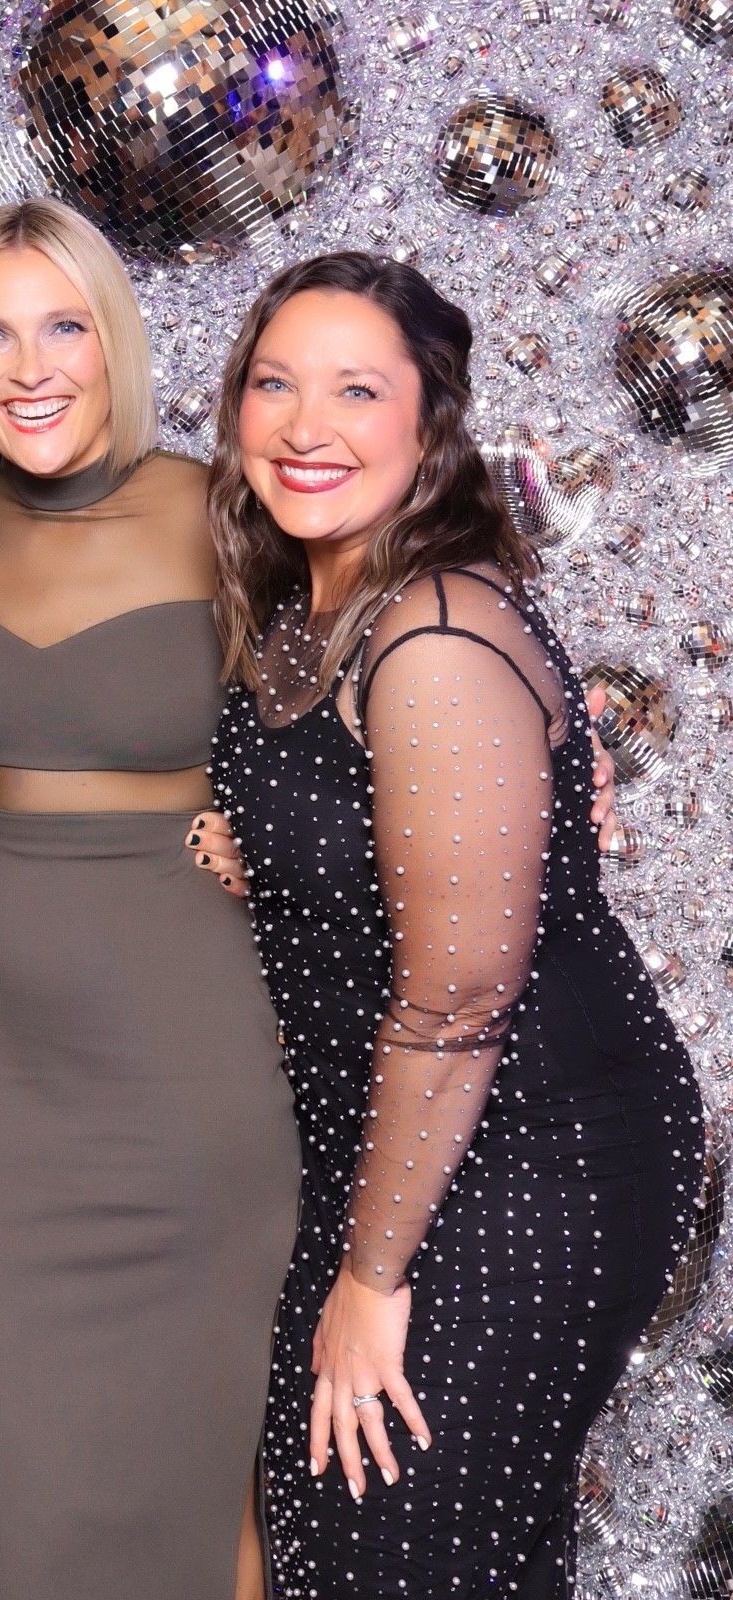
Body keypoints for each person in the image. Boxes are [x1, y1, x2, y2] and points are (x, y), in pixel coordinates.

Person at [200, 250, 703, 1594]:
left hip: (527, 1149)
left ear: (432, 423)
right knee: (384, 1544)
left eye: (358, 390)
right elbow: (353, 827)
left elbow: (459, 998)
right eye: (274, 384)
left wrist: (371, 1281)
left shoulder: (431, 634)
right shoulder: (314, 607)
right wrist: (250, 850)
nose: (307, 427)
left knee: (402, 1547)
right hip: (405, 1143)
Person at [0, 195, 301, 1600]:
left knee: (208, 1475)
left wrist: (292, 835)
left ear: (116, 339)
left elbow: (405, 699)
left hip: (191, 1052)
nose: (31, 367)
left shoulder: (229, 509)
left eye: (64, 325)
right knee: (32, 1501)